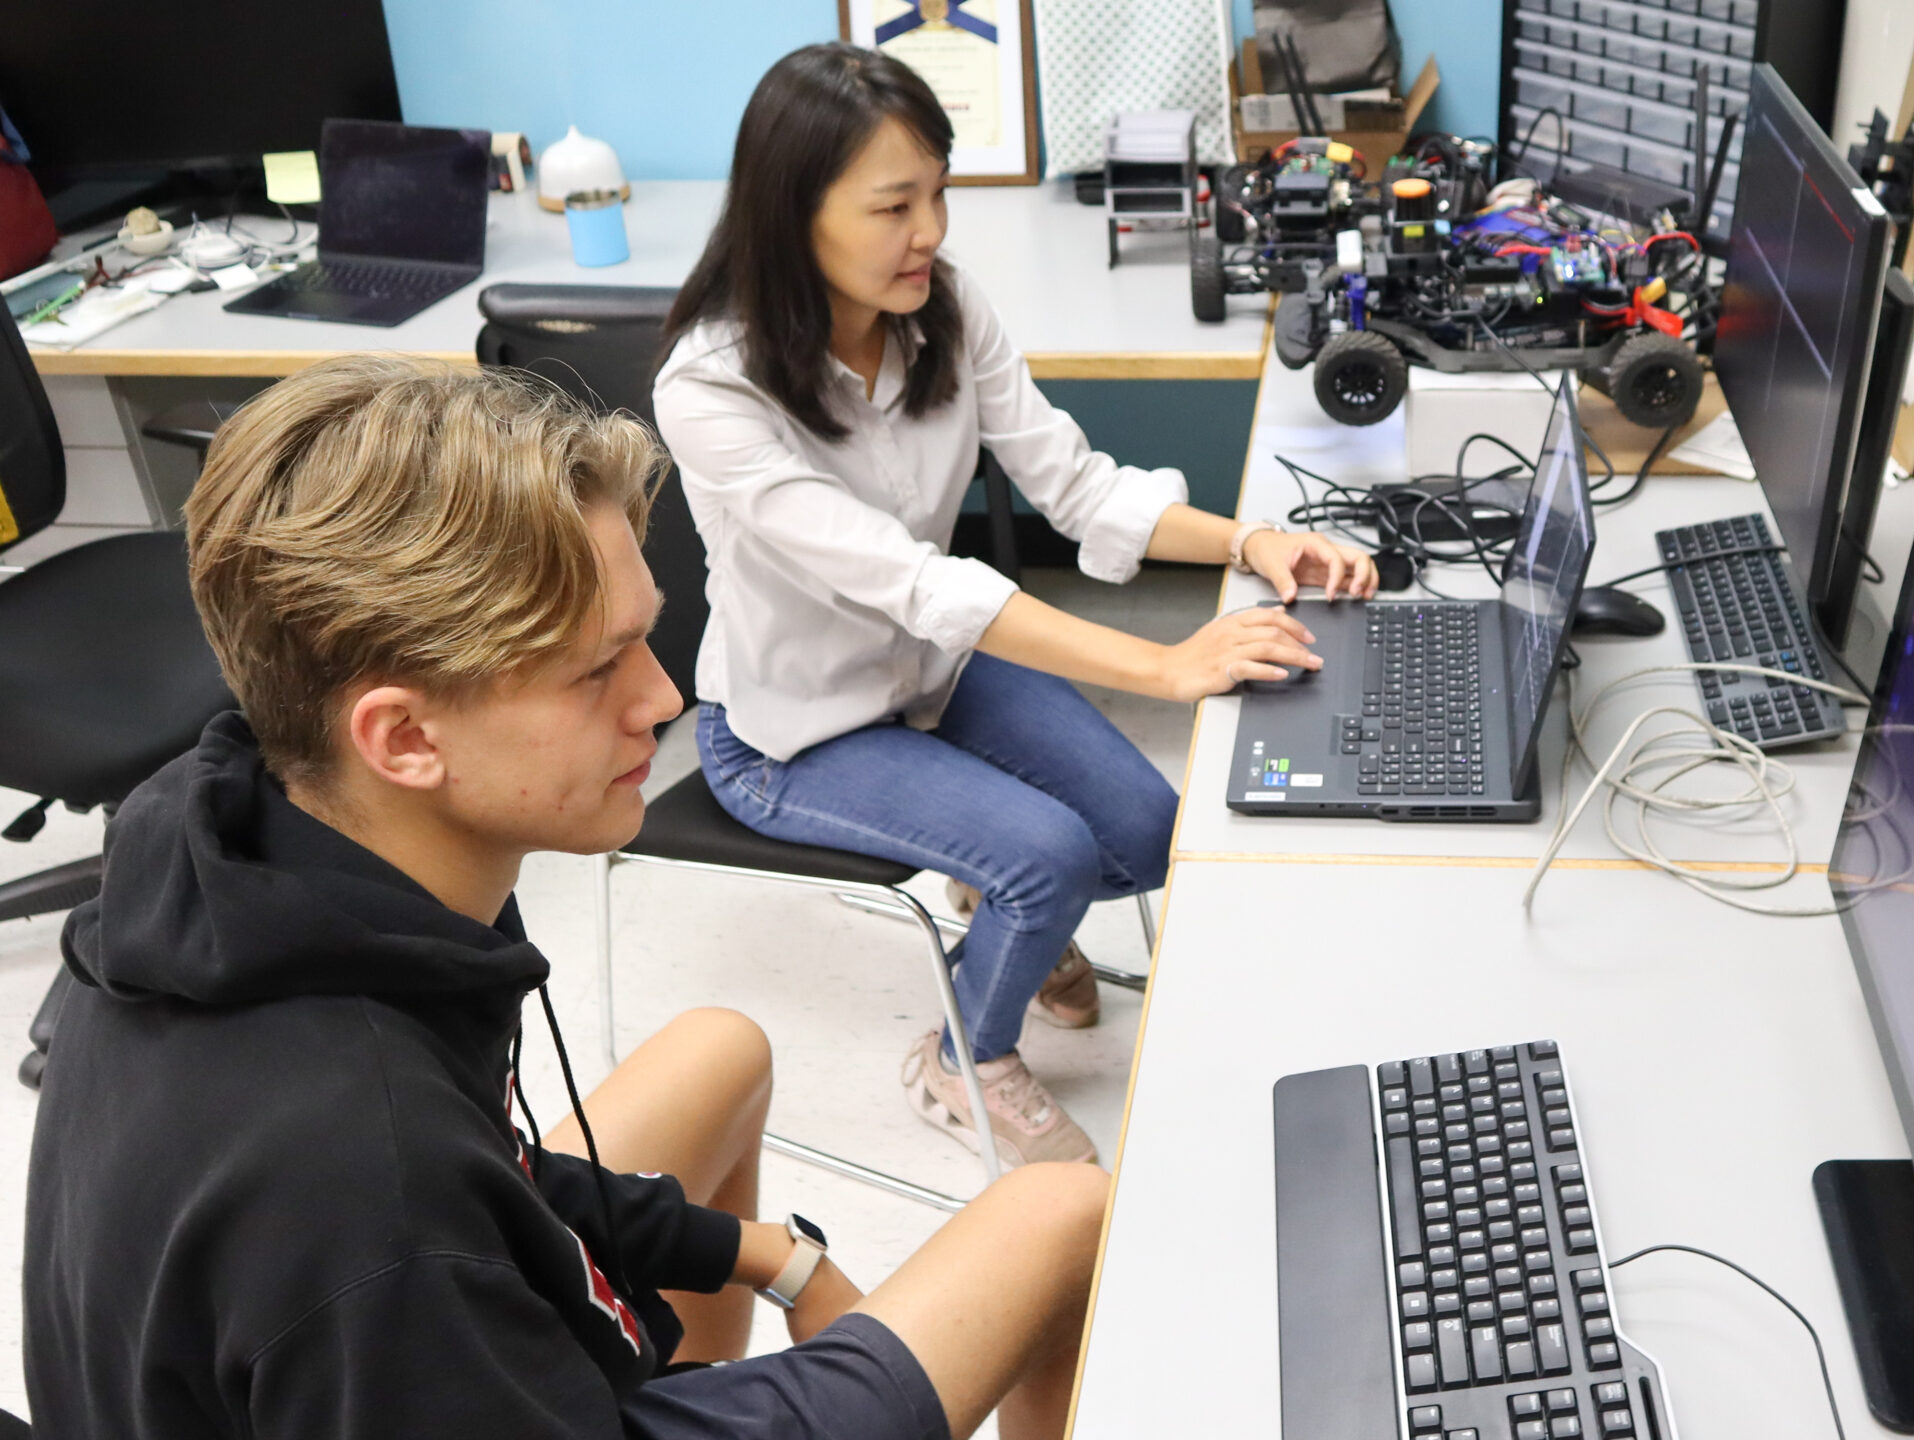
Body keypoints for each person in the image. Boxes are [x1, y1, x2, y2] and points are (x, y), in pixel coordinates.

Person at [23, 355, 1107, 1440]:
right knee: (1064, 1214)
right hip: (416, 1346)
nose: (664, 699)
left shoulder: (247, 836)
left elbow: (489, 1169)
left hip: (413, 1352)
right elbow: (425, 1201)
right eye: (599, 671)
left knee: (720, 1050)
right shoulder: (369, 1193)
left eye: (647, 637)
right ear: (403, 738)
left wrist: (775, 1257)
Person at [654, 42, 1378, 1167]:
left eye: (937, 195)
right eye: (895, 205)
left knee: (1142, 835)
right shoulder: (710, 387)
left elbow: (1077, 487)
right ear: (792, 213)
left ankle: (999, 900)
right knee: (1049, 858)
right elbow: (916, 580)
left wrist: (1252, 538)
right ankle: (960, 1052)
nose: (931, 231)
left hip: (934, 676)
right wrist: (1165, 666)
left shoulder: (938, 308)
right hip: (796, 733)